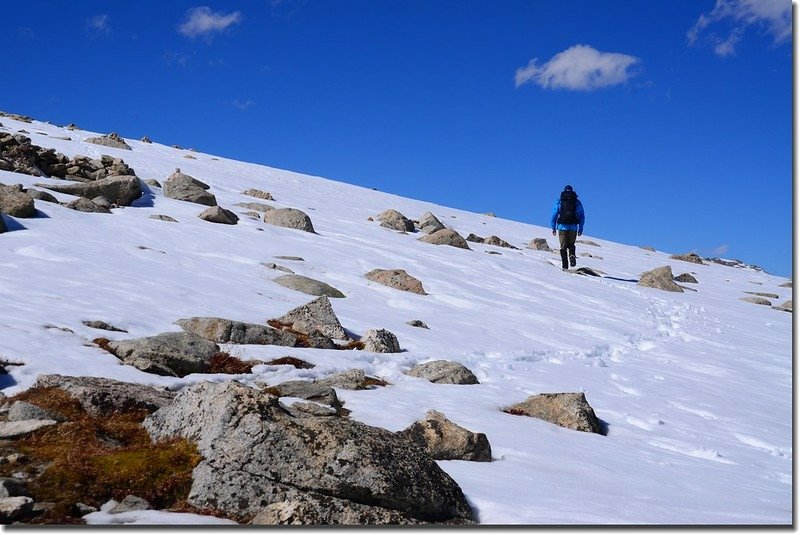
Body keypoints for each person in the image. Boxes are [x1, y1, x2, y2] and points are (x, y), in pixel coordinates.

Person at [550, 185, 585, 270]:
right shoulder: (577, 202)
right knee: (571, 244)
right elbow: (582, 216)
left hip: (562, 227)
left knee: (563, 246)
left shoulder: (560, 201)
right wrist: (580, 228)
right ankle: (572, 255)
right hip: (573, 227)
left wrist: (553, 227)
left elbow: (554, 214)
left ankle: (565, 266)